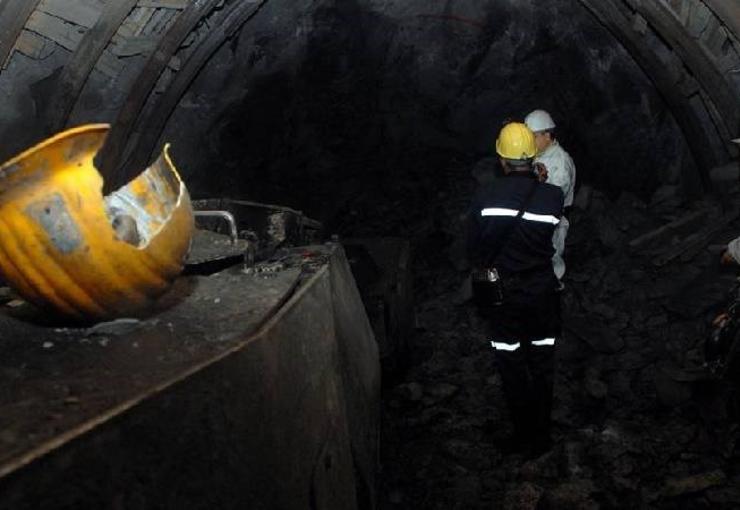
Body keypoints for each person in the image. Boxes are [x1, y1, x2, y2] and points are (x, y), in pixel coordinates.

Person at [468, 122, 564, 457]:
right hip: (542, 292)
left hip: (503, 295)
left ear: (501, 159)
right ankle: (542, 435)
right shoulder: (553, 196)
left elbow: (474, 248)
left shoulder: (485, 196)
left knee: (511, 363)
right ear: (534, 155)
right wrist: (538, 184)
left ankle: (523, 435)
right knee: (542, 362)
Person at [525, 110, 576, 285]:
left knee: (550, 259)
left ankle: (554, 288)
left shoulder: (560, 163)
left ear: (547, 135)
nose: (529, 141)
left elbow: (554, 200)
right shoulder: (539, 155)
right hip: (537, 218)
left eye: (533, 136)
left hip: (552, 223)